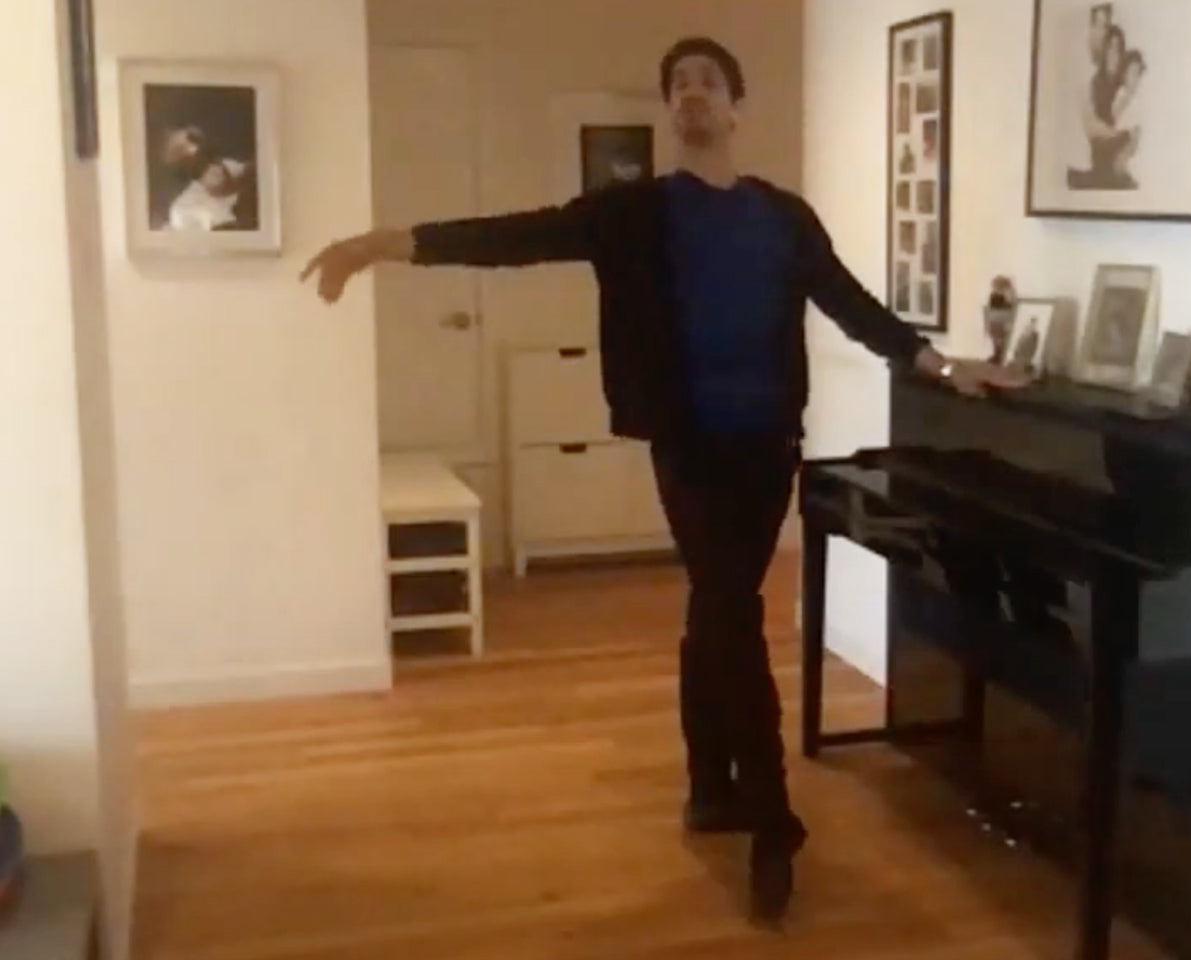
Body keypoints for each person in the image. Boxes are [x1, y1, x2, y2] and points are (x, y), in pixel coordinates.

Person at [300, 35, 1027, 923]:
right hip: (688, 449)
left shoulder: (784, 219)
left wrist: (943, 367)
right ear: (671, 109)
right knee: (730, 610)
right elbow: (513, 238)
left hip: (768, 450)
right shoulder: (634, 213)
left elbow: (853, 307)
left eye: (707, 81)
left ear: (735, 107)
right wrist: (381, 245)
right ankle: (772, 820)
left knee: (714, 610)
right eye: (678, 83)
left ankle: (708, 786)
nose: (691, 93)